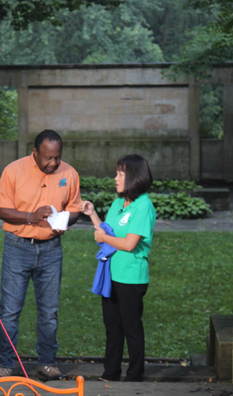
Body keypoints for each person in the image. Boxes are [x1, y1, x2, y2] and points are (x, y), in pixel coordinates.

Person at [0, 129, 82, 381]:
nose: (53, 163)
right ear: (35, 153)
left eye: (57, 157)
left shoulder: (69, 173)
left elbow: (74, 208)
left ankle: (47, 363)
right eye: (48, 158)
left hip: (52, 250)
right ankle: (5, 364)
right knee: (10, 310)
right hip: (17, 247)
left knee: (49, 311)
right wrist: (29, 217)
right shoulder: (14, 170)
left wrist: (66, 221)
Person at [82, 154, 155, 382]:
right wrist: (92, 214)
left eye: (120, 174)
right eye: (116, 173)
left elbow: (129, 243)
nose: (115, 178)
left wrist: (104, 236)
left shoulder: (143, 206)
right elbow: (107, 235)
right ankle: (110, 373)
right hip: (110, 275)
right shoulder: (117, 204)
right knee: (112, 327)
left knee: (131, 328)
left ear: (133, 176)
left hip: (131, 277)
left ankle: (134, 376)